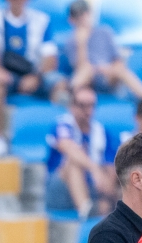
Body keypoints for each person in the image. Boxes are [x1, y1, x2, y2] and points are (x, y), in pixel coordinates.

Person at [0, 0, 61, 159]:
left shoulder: (42, 20)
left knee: (60, 86)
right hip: (7, 73)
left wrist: (36, 77)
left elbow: (50, 56)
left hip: (33, 73)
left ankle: (58, 137)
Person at [45, 86, 118, 219]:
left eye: (91, 105)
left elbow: (109, 166)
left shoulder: (102, 131)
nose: (87, 110)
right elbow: (67, 146)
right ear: (72, 106)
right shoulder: (62, 124)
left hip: (91, 188)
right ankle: (85, 209)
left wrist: (108, 186)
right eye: (82, 105)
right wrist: (94, 168)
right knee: (73, 162)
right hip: (60, 189)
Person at [62, 0, 142, 99]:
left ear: (90, 13)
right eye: (78, 16)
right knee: (86, 70)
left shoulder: (105, 32)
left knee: (121, 70)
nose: (83, 18)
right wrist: (81, 44)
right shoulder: (71, 41)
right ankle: (69, 98)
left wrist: (107, 69)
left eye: (85, 13)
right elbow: (79, 68)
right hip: (88, 79)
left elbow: (117, 60)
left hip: (108, 75)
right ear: (71, 20)